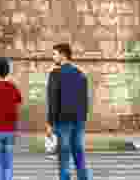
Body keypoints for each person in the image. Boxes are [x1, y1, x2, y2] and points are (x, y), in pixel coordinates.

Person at [46, 43, 92, 180]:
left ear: (62, 55)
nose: (53, 57)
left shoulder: (55, 74)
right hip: (78, 120)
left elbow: (52, 101)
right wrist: (83, 119)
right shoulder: (81, 74)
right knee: (79, 154)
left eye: (54, 54)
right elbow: (85, 100)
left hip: (62, 121)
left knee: (64, 157)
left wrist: (50, 123)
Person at [0, 57, 22, 180]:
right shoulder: (13, 88)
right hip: (10, 131)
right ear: (7, 71)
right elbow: (17, 108)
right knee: (7, 163)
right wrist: (16, 129)